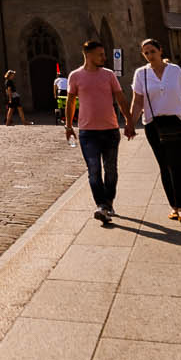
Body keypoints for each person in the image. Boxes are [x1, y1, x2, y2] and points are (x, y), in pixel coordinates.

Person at [129, 38, 181, 223]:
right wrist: (131, 124)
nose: (150, 55)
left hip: (179, 122)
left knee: (177, 166)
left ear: (160, 50)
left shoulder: (175, 70)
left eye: (152, 51)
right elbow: (138, 101)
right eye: (146, 53)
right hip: (153, 126)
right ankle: (174, 207)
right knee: (164, 167)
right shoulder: (140, 74)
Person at [64, 39, 135, 223]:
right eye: (100, 54)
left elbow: (120, 98)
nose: (104, 57)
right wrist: (69, 126)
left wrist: (129, 121)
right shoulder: (75, 76)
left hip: (110, 129)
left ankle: (108, 202)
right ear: (88, 55)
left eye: (104, 54)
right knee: (94, 170)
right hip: (87, 132)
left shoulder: (109, 75)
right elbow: (71, 101)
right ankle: (101, 206)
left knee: (110, 169)